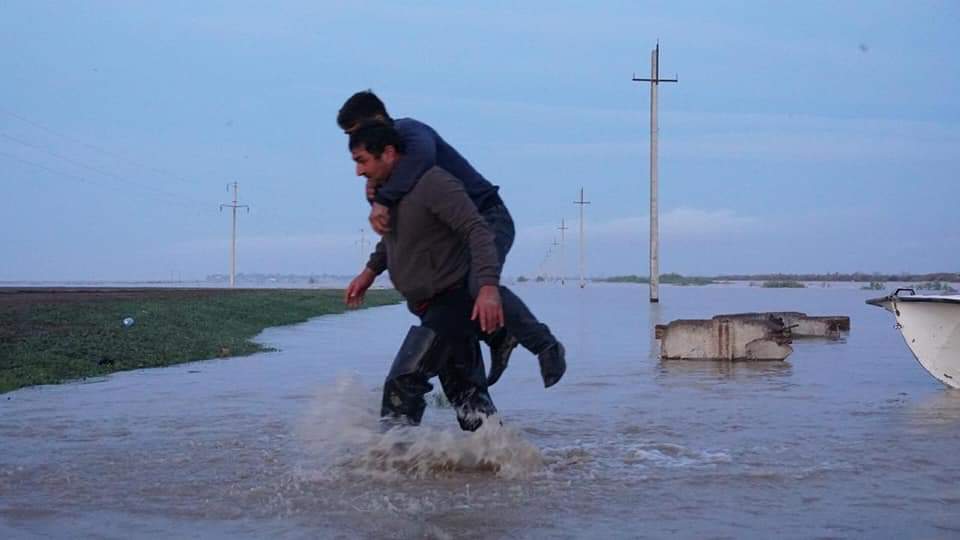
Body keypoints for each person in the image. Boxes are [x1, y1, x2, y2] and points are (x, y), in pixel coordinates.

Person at [338, 90, 565, 388]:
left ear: (378, 122)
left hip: (486, 216)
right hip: (452, 232)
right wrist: (371, 269)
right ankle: (493, 346)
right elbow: (400, 236)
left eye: (356, 132)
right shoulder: (395, 178)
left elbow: (424, 157)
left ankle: (544, 345)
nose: (353, 142)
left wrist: (384, 197)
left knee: (477, 283)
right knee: (454, 310)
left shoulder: (411, 134)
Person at [346, 123, 500, 430]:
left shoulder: (432, 183)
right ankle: (503, 465)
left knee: (403, 383)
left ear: (388, 154)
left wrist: (487, 288)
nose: (358, 172)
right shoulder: (393, 195)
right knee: (470, 401)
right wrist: (370, 271)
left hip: (453, 301)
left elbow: (477, 229)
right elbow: (394, 239)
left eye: (362, 161)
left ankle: (388, 470)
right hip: (431, 307)